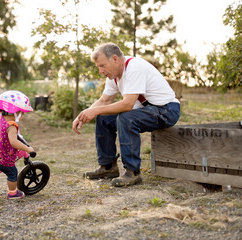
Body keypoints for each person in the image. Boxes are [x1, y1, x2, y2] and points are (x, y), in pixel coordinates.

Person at [72, 42, 180, 187]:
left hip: (166, 110)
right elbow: (105, 100)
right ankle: (108, 167)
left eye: (102, 66)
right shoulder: (114, 76)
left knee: (126, 118)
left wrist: (95, 110)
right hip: (147, 111)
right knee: (104, 117)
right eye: (98, 67)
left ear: (115, 59)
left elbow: (128, 104)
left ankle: (132, 172)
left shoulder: (134, 68)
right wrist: (82, 115)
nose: (100, 71)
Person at [0, 90, 34, 199]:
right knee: (12, 172)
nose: (22, 115)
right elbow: (14, 142)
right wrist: (28, 149)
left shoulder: (0, 119)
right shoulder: (11, 126)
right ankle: (12, 193)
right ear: (14, 111)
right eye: (21, 112)